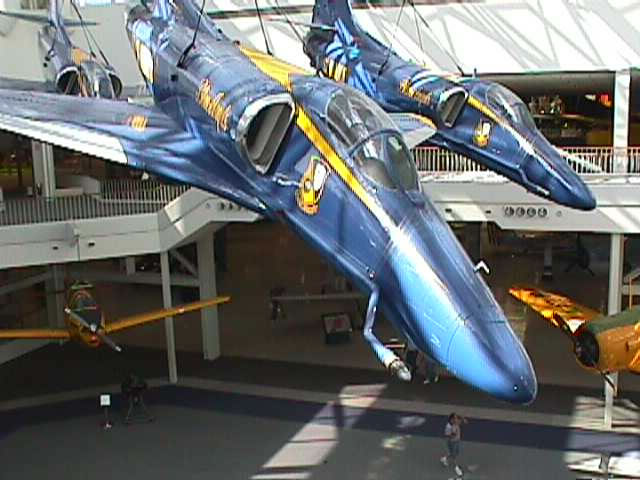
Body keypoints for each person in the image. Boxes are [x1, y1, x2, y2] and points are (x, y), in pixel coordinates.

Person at [440, 412, 468, 476]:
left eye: (456, 418)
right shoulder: (448, 427)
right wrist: (453, 435)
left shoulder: (456, 422)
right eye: (455, 418)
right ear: (451, 419)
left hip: (457, 440)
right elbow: (447, 435)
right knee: (454, 456)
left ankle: (444, 459)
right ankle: (457, 468)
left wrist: (463, 419)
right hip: (452, 442)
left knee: (455, 453)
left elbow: (459, 417)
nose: (456, 419)